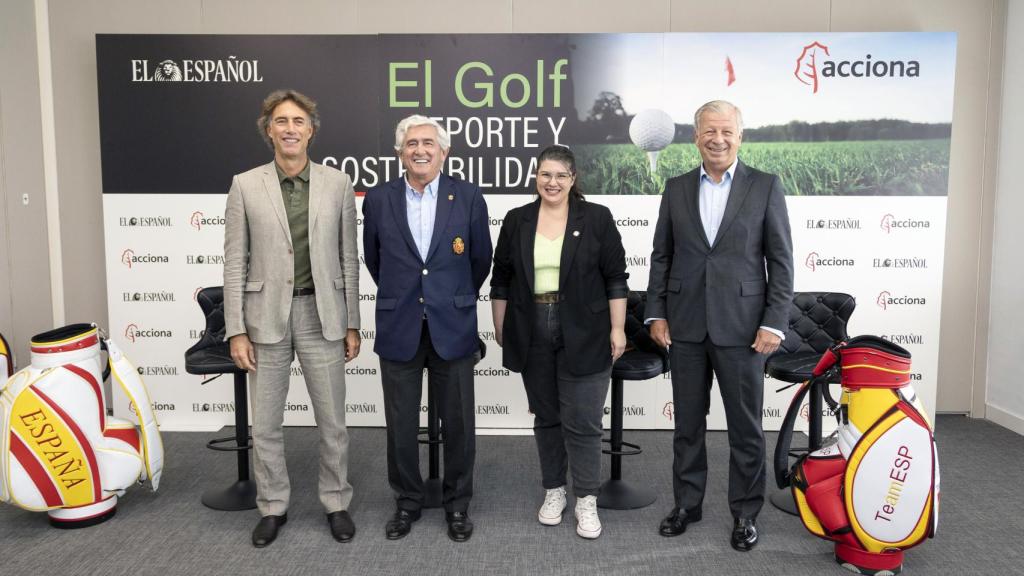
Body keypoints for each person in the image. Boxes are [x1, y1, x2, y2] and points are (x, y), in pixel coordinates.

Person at [646, 100, 794, 551]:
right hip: (686, 327)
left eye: (726, 131)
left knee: (745, 429)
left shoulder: (765, 187)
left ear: (740, 136)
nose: (718, 139)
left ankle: (745, 513)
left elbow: (781, 262)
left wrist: (774, 322)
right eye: (709, 131)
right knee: (687, 425)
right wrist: (656, 312)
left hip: (745, 330)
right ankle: (687, 505)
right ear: (695, 137)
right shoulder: (675, 188)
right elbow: (662, 255)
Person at [223, 89, 361, 548]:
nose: (289, 128)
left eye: (298, 121)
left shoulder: (338, 184)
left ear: (311, 130)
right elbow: (234, 261)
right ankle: (272, 506)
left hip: (322, 314)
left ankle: (336, 502)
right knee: (265, 424)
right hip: (264, 319)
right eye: (281, 121)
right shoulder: (245, 185)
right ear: (269, 131)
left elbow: (348, 259)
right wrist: (236, 328)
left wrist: (351, 321)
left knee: (333, 421)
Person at [362, 115, 492, 542]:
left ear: (444, 151)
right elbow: (374, 259)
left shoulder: (469, 196)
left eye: (428, 143)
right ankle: (407, 503)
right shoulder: (379, 199)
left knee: (458, 423)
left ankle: (458, 506)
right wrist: (409, 295)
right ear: (400, 151)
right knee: (400, 425)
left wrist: (448, 297)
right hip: (399, 323)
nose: (420, 150)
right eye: (411, 143)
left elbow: (480, 262)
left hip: (452, 325)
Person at [490, 145, 629, 539]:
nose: (552, 182)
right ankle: (554, 491)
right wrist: (501, 327)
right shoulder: (517, 220)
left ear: (573, 180)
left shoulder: (597, 218)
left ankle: (586, 497)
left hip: (586, 329)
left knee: (583, 422)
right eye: (544, 174)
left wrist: (617, 329)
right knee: (546, 417)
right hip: (530, 326)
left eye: (560, 176)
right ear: (536, 177)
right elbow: (501, 279)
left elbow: (615, 278)